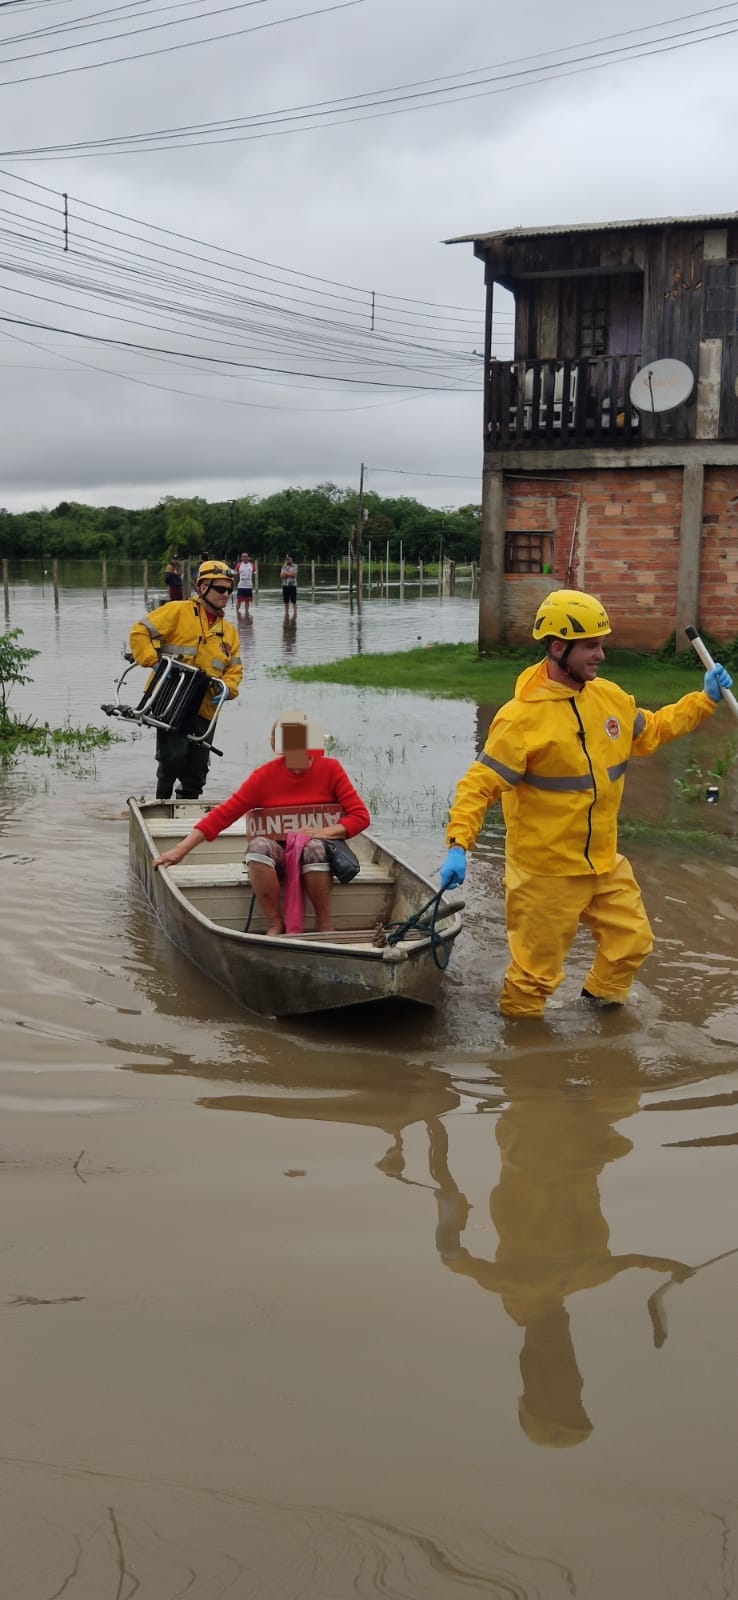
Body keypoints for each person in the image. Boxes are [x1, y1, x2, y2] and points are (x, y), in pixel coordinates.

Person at [439, 588, 734, 1018]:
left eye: (601, 643)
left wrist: (703, 700)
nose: (601, 654)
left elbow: (650, 731)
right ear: (559, 648)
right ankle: (522, 1060)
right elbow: (478, 786)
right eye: (592, 645)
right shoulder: (520, 719)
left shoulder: (608, 697)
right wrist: (457, 844)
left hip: (602, 862)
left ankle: (597, 1020)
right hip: (545, 873)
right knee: (534, 979)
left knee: (631, 943)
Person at [152, 712, 369, 935]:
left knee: (313, 848)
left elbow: (360, 816)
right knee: (257, 848)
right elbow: (222, 816)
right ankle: (275, 923)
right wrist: (179, 851)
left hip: (319, 850)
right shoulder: (265, 776)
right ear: (279, 747)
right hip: (279, 853)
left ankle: (324, 924)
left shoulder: (330, 769)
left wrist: (322, 832)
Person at [129, 559, 242, 801]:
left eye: (229, 590)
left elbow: (234, 669)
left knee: (198, 769)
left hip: (206, 705)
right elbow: (139, 632)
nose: (226, 595)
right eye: (220, 589)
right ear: (203, 588)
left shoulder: (229, 632)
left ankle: (187, 810)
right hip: (173, 697)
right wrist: (153, 661)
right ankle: (161, 802)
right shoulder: (177, 611)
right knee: (172, 757)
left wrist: (229, 689)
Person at [235, 551, 254, 619]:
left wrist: (251, 583)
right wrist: (237, 583)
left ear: (248, 557)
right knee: (239, 600)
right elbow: (236, 575)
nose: (245, 557)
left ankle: (246, 613)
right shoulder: (238, 565)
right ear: (241, 558)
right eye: (243, 556)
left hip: (249, 586)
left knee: (247, 601)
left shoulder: (251, 565)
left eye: (246, 556)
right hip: (241, 586)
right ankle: (237, 613)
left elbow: (253, 574)